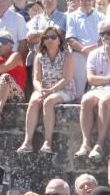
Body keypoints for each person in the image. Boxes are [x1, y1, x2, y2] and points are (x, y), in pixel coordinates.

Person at [75, 20, 110, 163]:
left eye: (108, 33)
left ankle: (99, 144)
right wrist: (109, 79)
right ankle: (86, 143)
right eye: (102, 34)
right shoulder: (93, 54)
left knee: (105, 102)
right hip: (101, 88)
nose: (105, 37)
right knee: (86, 101)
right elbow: (91, 79)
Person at [18, 23, 73, 154]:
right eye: (46, 37)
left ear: (59, 40)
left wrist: (51, 91)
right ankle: (28, 141)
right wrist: (41, 90)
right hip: (44, 89)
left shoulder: (67, 55)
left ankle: (47, 141)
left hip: (64, 89)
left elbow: (67, 79)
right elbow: (36, 79)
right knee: (33, 101)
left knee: (48, 102)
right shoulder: (39, 57)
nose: (50, 40)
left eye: (53, 37)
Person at [65, 0, 106, 100]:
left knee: (100, 90)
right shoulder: (71, 17)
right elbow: (70, 39)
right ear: (78, 1)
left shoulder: (101, 17)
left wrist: (93, 50)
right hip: (79, 55)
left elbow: (105, 37)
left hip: (98, 54)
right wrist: (84, 50)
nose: (87, 1)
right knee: (78, 92)